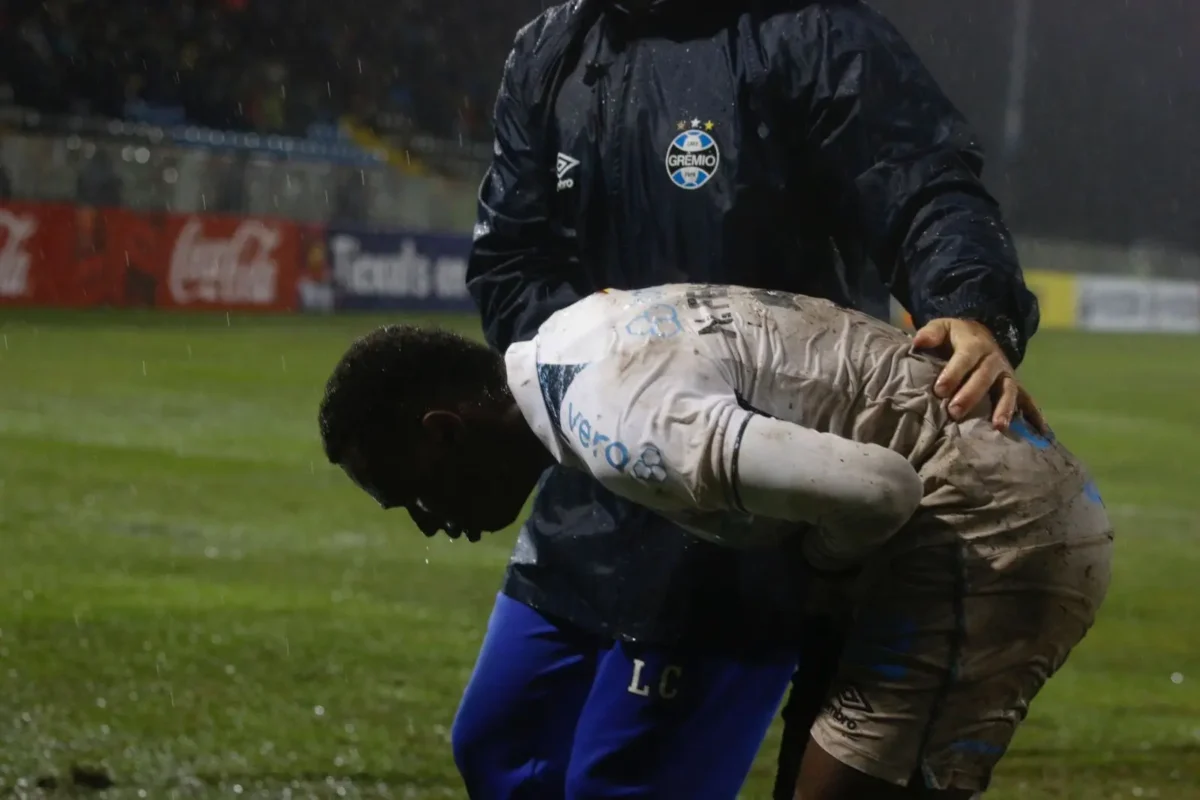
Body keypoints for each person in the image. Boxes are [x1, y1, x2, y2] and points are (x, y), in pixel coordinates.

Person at [458, 0, 1044, 797]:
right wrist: (595, 364)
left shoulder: (810, 32)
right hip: (592, 482)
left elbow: (919, 179)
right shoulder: (553, 46)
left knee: (629, 781)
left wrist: (971, 304)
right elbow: (509, 259)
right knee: (499, 745)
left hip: (747, 480)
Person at [317, 284, 1113, 799]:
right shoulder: (567, 338)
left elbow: (880, 490)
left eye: (412, 497)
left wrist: (821, 565)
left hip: (987, 521)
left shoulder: (620, 428)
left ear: (445, 432)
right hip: (988, 494)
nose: (431, 525)